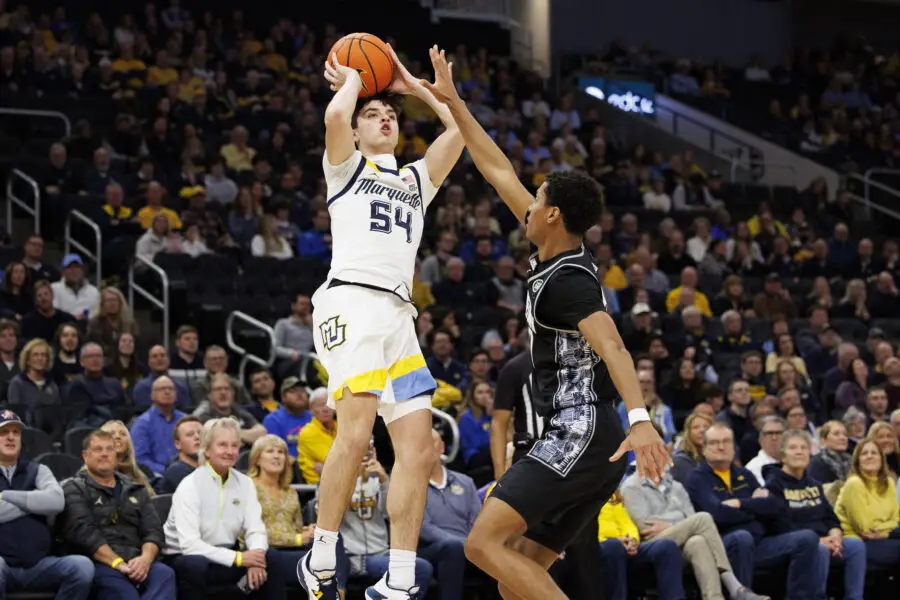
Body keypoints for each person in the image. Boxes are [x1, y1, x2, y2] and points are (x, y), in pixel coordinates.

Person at [421, 46, 669, 600]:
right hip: (591, 439)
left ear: (553, 214)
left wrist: (641, 419)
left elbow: (615, 349)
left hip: (580, 431)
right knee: (515, 583)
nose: (527, 205)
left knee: (481, 545)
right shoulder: (553, 258)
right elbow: (496, 168)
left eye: (536, 201)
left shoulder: (570, 281)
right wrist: (455, 101)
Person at [300, 42, 464, 600]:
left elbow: (461, 132)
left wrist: (415, 88)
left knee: (417, 448)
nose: (385, 118)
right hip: (350, 302)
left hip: (399, 314)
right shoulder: (345, 168)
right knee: (358, 429)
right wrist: (353, 80)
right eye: (376, 114)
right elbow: (337, 116)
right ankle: (321, 552)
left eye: (389, 114)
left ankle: (398, 576)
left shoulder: (415, 181)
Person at [685, 424, 820, 600]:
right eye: (714, 443)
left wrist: (740, 503)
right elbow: (716, 515)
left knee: (807, 538)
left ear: (733, 446)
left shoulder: (744, 474)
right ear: (704, 448)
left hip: (760, 543)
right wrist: (754, 506)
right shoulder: (697, 478)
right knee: (742, 537)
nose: (721, 447)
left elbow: (773, 506)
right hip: (722, 547)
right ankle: (742, 595)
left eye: (726, 441)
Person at [163, 418, 291, 599]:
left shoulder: (245, 483)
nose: (230, 452)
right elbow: (190, 545)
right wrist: (239, 559)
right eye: (222, 445)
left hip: (228, 554)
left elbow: (256, 529)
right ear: (206, 450)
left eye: (234, 446)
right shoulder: (190, 485)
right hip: (186, 556)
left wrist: (257, 558)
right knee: (195, 565)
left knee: (272, 558)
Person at [61, 429, 176, 599]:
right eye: (98, 449)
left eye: (109, 449)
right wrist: (117, 563)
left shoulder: (136, 489)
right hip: (101, 564)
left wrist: (145, 559)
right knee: (126, 595)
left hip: (138, 560)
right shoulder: (74, 488)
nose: (105, 454)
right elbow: (85, 534)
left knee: (165, 574)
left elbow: (154, 531)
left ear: (117, 456)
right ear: (85, 456)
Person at [0, 409, 94, 599]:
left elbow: (56, 502)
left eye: (16, 432)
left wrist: (5, 496)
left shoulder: (38, 470)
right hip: (2, 566)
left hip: (40, 565)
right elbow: (46, 502)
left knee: (82, 567)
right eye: (4, 432)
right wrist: (35, 500)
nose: (11, 437)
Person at [765, 429, 867, 600]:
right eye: (793, 448)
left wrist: (835, 534)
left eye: (803, 448)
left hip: (824, 539)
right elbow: (781, 525)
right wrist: (819, 540)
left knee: (855, 545)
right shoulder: (773, 484)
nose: (799, 451)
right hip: (798, 543)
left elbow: (830, 517)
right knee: (816, 548)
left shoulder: (814, 484)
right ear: (783, 456)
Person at [247, 435, 345, 593]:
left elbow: (295, 527)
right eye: (270, 451)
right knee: (316, 568)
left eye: (281, 452)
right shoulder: (248, 486)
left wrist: (308, 531)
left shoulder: (290, 491)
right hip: (265, 552)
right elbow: (251, 530)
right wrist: (298, 538)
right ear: (257, 459)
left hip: (293, 548)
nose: (277, 456)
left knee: (330, 536)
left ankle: (340, 591)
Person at [334, 442, 433, 596]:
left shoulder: (377, 480)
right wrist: (349, 474)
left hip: (382, 552)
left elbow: (393, 512)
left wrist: (384, 479)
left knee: (423, 567)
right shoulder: (334, 479)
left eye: (369, 449)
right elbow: (329, 514)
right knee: (416, 569)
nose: (365, 454)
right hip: (353, 557)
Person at [596, 490, 686, 600]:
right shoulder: (581, 494)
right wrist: (618, 541)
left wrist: (632, 540)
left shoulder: (611, 495)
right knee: (613, 546)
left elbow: (627, 523)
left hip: (626, 547)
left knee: (667, 546)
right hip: (600, 548)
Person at [419, 429, 477, 600]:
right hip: (428, 548)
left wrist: (475, 545)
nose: (427, 447)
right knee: (453, 548)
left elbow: (478, 521)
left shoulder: (465, 482)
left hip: (468, 546)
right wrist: (464, 544)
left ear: (442, 447)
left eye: (432, 442)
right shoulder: (411, 485)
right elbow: (424, 528)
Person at [834, 439, 900, 568]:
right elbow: (865, 528)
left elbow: (896, 519)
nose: (869, 456)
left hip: (883, 538)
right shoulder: (854, 483)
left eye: (874, 453)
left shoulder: (889, 483)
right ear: (857, 461)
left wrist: (884, 533)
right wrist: (888, 529)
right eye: (864, 453)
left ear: (881, 459)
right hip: (857, 541)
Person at [130, 376, 188, 475]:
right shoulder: (142, 423)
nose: (167, 392)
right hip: (157, 476)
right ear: (152, 395)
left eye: (171, 389)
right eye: (162, 389)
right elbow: (140, 459)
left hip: (186, 471)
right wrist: (167, 471)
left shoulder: (185, 420)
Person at [261, 377, 313, 459]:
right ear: (283, 398)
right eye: (293, 391)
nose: (299, 394)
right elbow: (275, 453)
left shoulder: (313, 417)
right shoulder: (273, 420)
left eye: (302, 390)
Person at [157, 416, 202, 494]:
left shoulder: (209, 466)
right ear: (178, 444)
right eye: (190, 434)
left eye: (201, 433)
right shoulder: (176, 470)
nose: (197, 437)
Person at [744, 416, 786, 485]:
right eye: (770, 433)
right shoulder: (753, 468)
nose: (774, 438)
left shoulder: (793, 463)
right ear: (760, 439)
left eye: (779, 433)